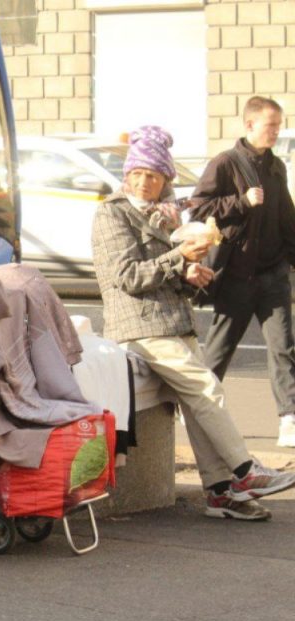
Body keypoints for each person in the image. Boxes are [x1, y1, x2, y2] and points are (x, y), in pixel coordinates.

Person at [92, 125, 295, 521]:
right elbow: (127, 277)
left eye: (154, 175)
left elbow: (166, 272)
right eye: (138, 174)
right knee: (206, 388)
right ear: (127, 174)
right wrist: (179, 258)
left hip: (172, 323)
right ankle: (245, 472)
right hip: (139, 328)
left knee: (200, 398)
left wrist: (191, 274)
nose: (145, 182)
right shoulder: (111, 213)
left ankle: (220, 493)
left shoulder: (163, 214)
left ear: (166, 178)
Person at [188, 96, 295, 447]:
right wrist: (241, 202)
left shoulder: (276, 166)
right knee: (219, 351)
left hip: (273, 275)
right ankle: (201, 416)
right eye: (271, 125)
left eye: (278, 125)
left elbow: (286, 220)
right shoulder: (226, 163)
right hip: (235, 277)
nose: (276, 132)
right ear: (249, 125)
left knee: (283, 348)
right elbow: (198, 209)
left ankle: (289, 420)